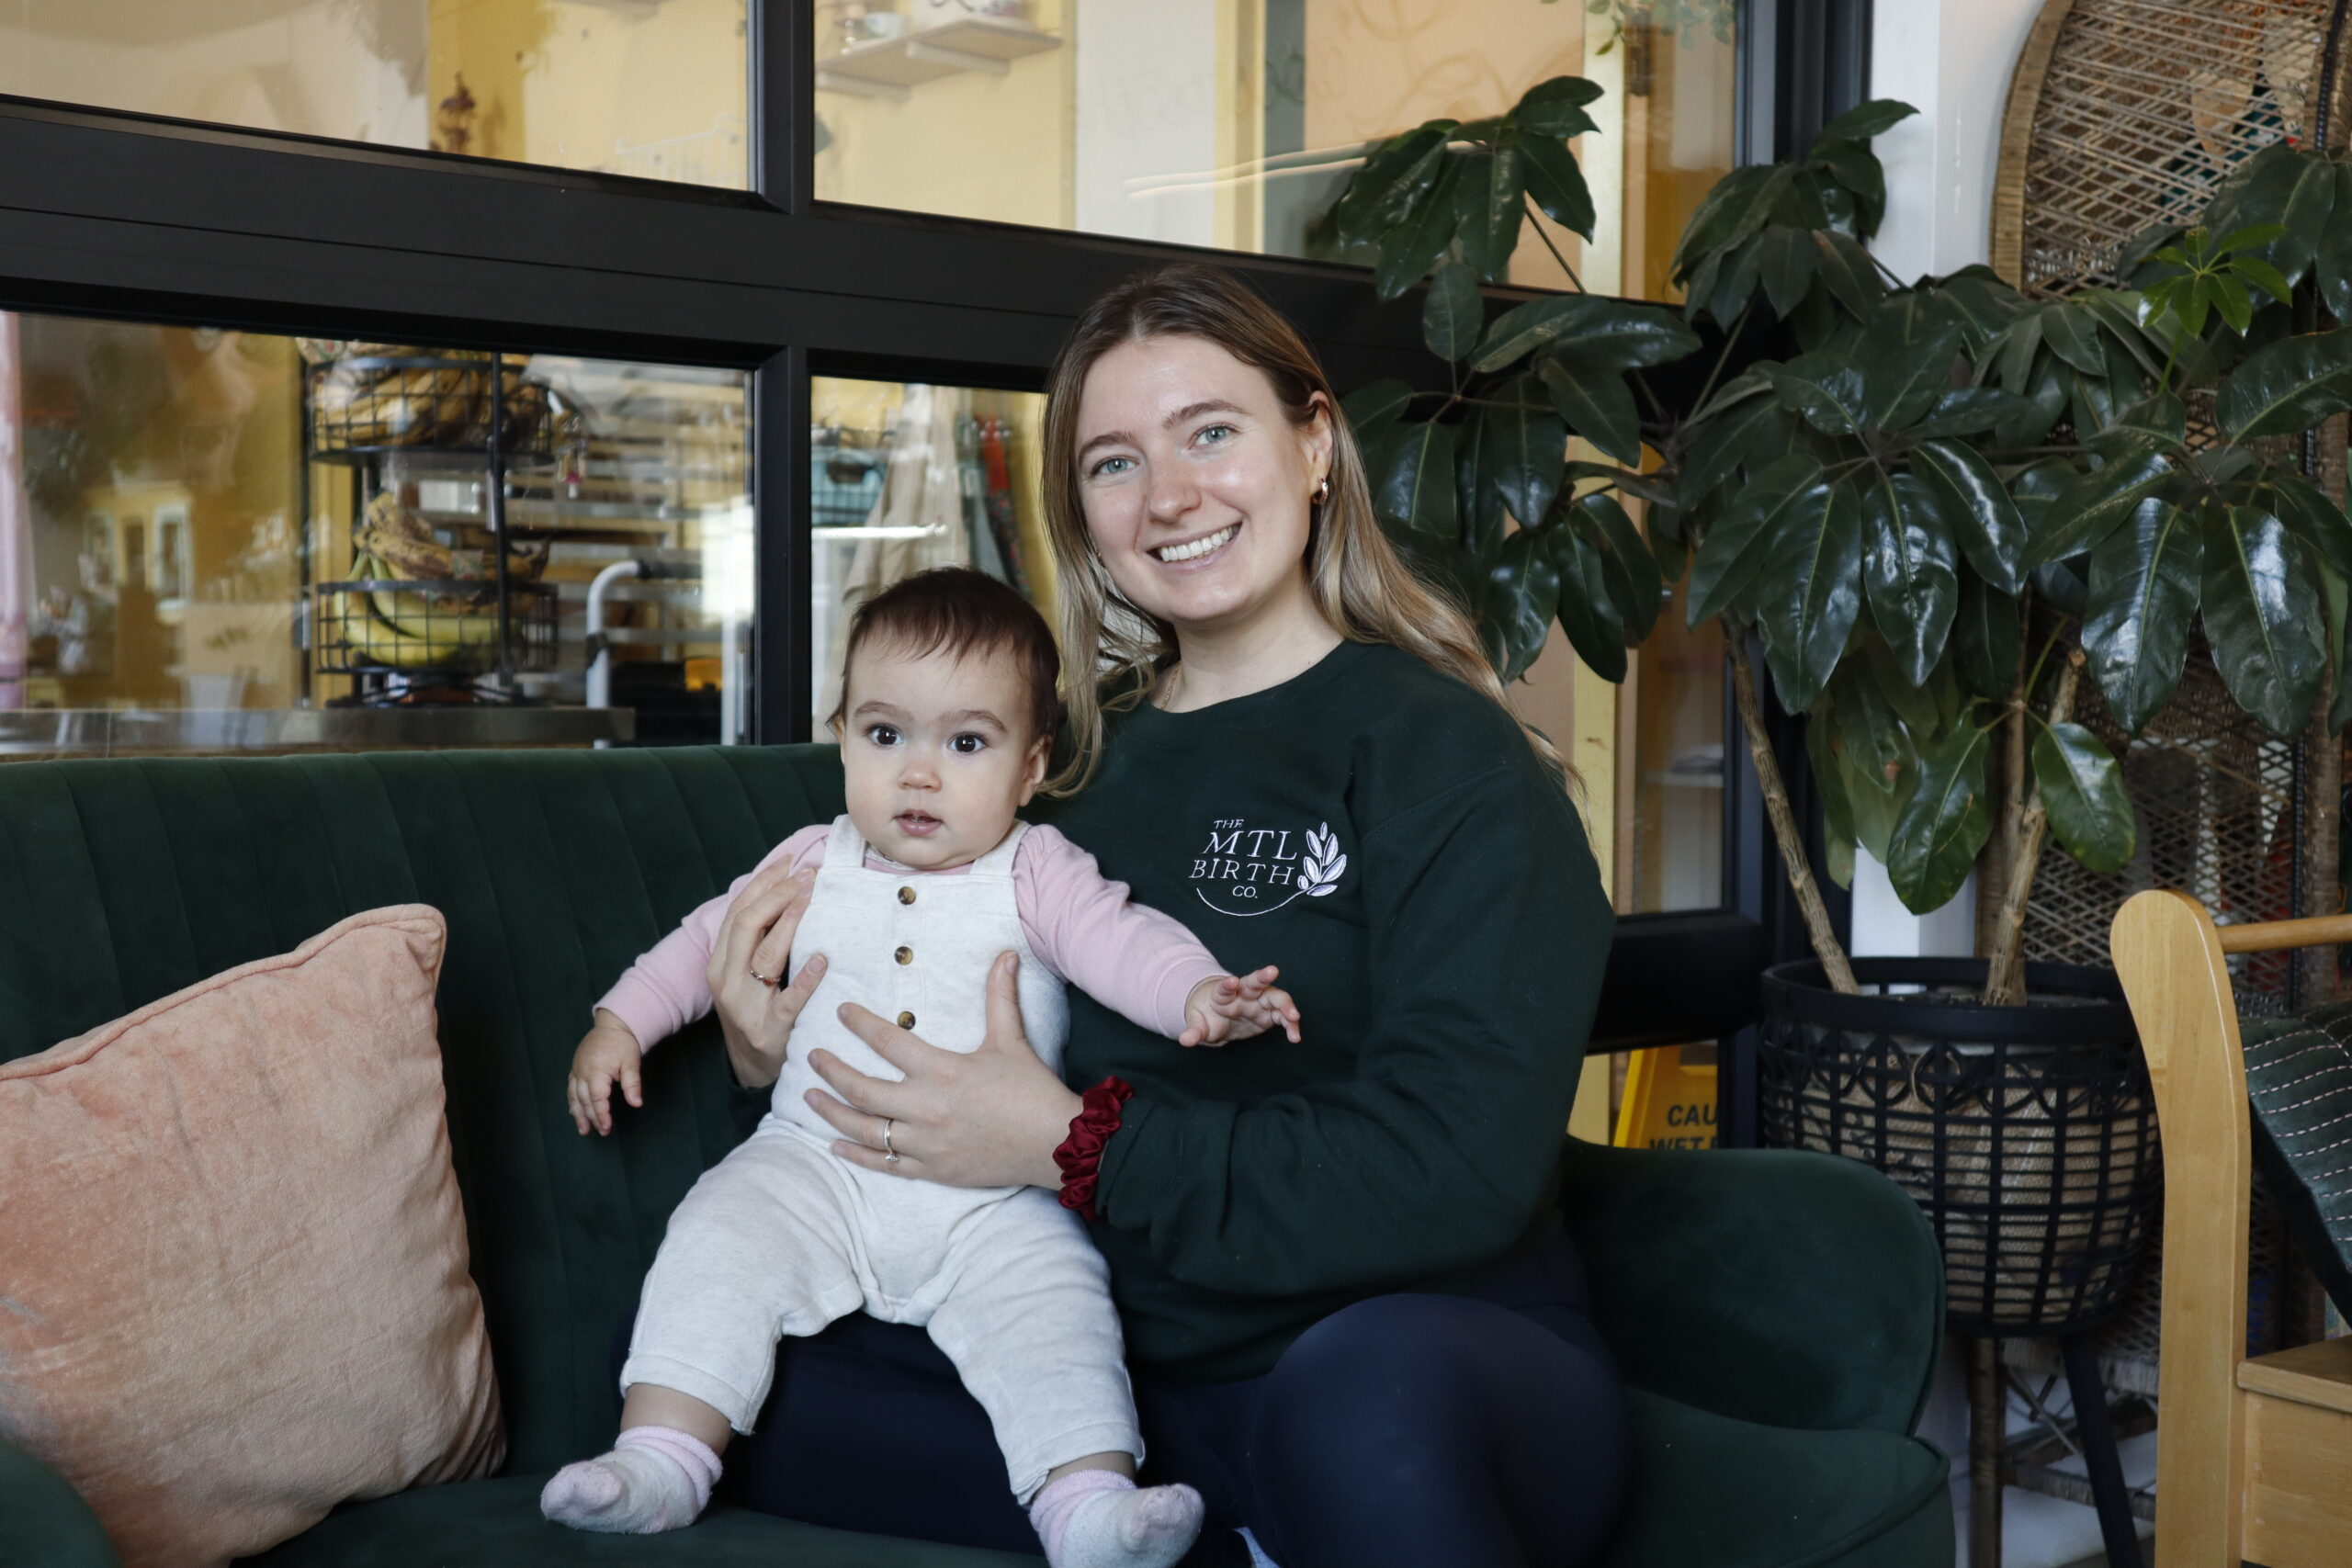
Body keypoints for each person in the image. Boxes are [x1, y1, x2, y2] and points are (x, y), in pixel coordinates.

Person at [698, 262, 1629, 1568]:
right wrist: (768, 1050)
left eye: (1210, 432)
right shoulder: (1053, 771)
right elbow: (928, 1037)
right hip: (1115, 1373)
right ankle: (1195, 1526)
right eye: (1115, 463)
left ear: (1314, 445)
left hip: (1414, 1352)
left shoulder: (1447, 757)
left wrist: (1074, 1144)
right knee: (733, 1388)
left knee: (1360, 1407)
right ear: (1082, 512)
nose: (1170, 496)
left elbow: (1453, 1168)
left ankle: (1241, 1509)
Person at [543, 567, 1300, 1568]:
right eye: (885, 734)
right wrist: (619, 1023)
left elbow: (1122, 941)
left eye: (966, 744)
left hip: (994, 1196)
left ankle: (1088, 1508)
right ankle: (659, 1462)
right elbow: (701, 944)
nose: (918, 775)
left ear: (1030, 768)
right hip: (812, 1164)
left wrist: (1198, 994)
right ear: (841, 735)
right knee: (716, 1237)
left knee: (1059, 1308)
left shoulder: (1035, 871)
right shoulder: (811, 859)